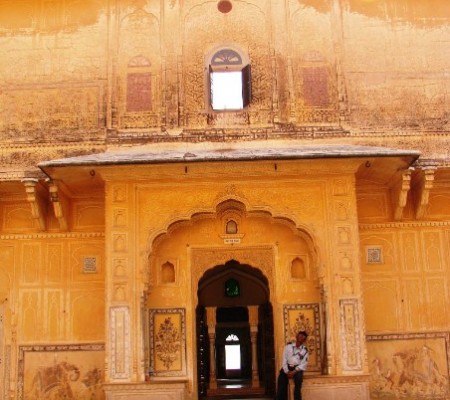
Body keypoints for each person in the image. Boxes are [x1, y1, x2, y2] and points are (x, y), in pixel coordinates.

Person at [276, 331, 309, 400]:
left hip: (297, 369)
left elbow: (304, 364)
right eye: (300, 336)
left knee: (298, 382)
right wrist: (287, 371)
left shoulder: (305, 350)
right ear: (296, 337)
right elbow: (284, 359)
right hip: (287, 367)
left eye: (303, 337)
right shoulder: (288, 347)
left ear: (304, 340)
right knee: (281, 380)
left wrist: (294, 371)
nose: (301, 338)